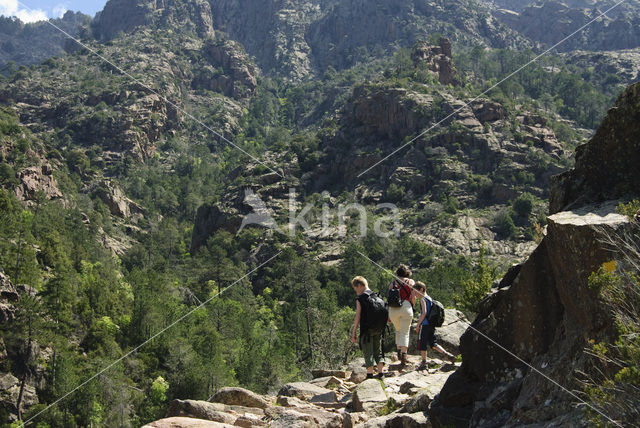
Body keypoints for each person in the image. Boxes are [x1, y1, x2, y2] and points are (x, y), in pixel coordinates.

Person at [413, 281, 456, 370]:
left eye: (415, 291)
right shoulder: (429, 298)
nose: (414, 294)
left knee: (422, 344)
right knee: (433, 343)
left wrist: (418, 325)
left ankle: (424, 363)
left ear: (421, 289)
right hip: (431, 325)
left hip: (425, 325)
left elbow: (424, 313)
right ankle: (447, 354)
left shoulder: (422, 299)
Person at [351, 276, 386, 379]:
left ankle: (370, 375)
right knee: (378, 350)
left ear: (360, 285)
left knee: (368, 351)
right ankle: (380, 373)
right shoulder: (378, 296)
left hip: (367, 330)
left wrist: (354, 331)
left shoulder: (361, 299)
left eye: (355, 288)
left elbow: (358, 316)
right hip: (379, 328)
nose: (356, 291)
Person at [388, 264, 415, 369]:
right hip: (406, 306)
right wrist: (412, 305)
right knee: (405, 332)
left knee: (398, 330)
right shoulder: (410, 282)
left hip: (393, 309)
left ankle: (399, 352)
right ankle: (404, 355)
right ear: (406, 273)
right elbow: (413, 297)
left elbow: (389, 298)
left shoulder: (392, 284)